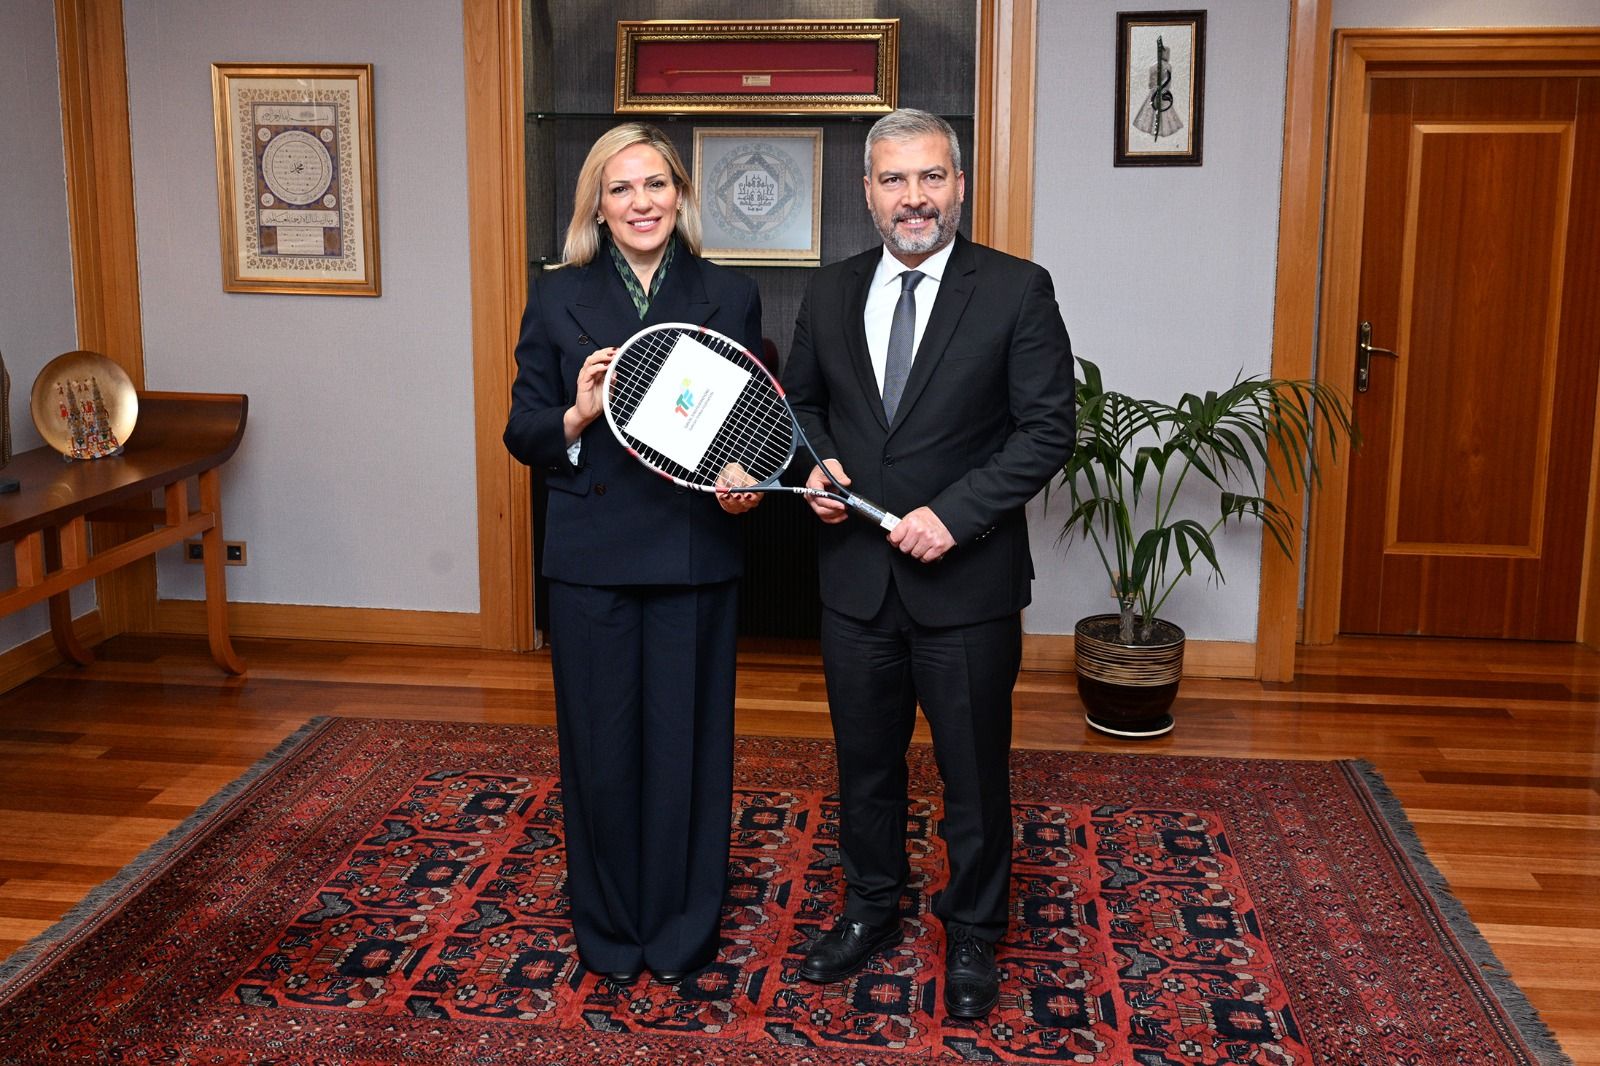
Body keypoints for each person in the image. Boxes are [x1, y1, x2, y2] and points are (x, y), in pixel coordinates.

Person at [781, 109, 1075, 1019]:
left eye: (932, 177)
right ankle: (870, 907)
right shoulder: (830, 291)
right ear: (867, 193)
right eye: (895, 180)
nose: (915, 198)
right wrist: (819, 467)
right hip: (855, 584)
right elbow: (802, 407)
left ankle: (975, 929)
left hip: (967, 585)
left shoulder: (1017, 289)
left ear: (960, 186)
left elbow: (1046, 431)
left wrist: (955, 516)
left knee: (973, 775)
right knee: (865, 765)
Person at [502, 123, 762, 988]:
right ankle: (610, 928)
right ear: (598, 207)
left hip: (694, 553)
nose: (640, 202)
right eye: (621, 189)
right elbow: (522, 432)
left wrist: (740, 475)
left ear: (680, 196)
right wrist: (577, 414)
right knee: (601, 751)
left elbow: (743, 429)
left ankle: (684, 928)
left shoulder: (730, 294)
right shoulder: (556, 298)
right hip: (591, 558)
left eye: (655, 185)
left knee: (689, 749)